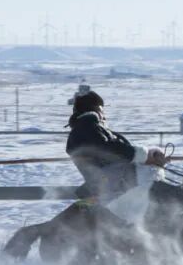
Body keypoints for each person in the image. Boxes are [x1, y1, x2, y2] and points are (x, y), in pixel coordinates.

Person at [65, 90, 168, 223]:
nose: (104, 116)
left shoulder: (87, 129)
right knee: (155, 188)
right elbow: (110, 149)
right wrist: (145, 157)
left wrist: (145, 156)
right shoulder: (88, 127)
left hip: (109, 183)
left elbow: (113, 148)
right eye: (102, 110)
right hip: (113, 186)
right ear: (96, 109)